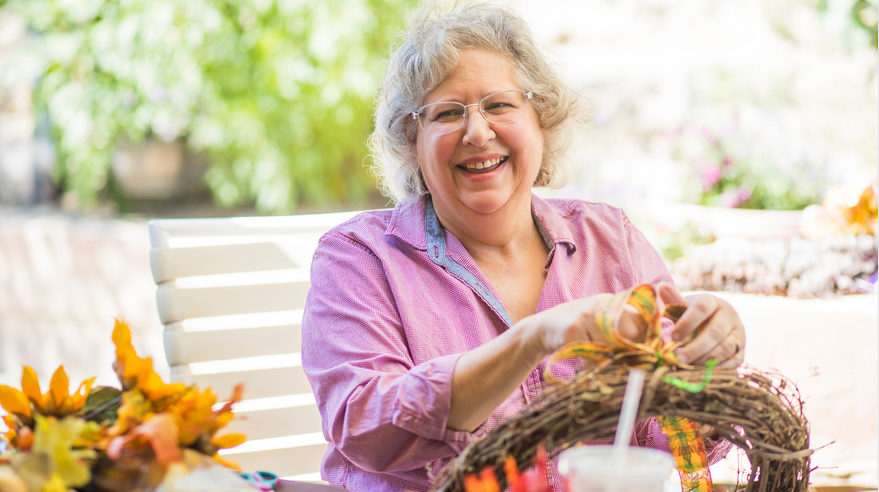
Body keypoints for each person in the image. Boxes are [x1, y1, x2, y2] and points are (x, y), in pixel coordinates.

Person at [301, 2, 746, 491]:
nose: (476, 131)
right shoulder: (359, 258)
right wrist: (533, 339)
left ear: (543, 122)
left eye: (499, 105)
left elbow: (664, 431)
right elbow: (364, 425)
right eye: (448, 113)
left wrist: (705, 372)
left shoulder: (612, 240)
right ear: (412, 142)